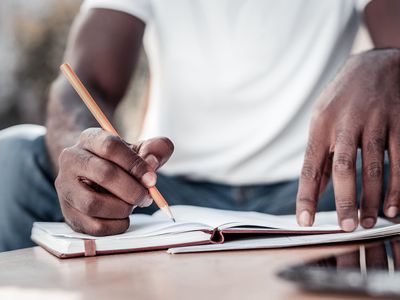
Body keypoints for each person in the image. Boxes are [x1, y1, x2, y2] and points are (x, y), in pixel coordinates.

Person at [1, 0, 400, 252]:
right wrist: (86, 153)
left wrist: (388, 61)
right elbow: (84, 82)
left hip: (323, 190)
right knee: (12, 160)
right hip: (161, 192)